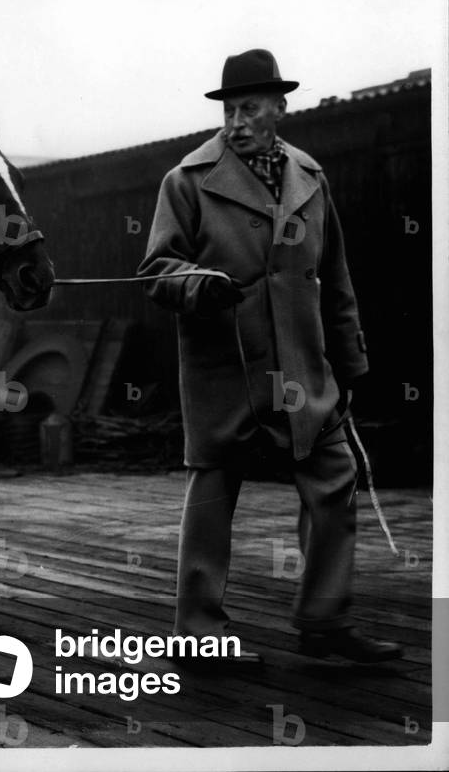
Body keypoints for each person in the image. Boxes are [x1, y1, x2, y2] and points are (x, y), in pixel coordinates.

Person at [138, 49, 401, 665]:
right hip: (224, 374)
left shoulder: (311, 176)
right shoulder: (186, 181)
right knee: (211, 497)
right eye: (229, 109)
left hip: (304, 372)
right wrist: (195, 283)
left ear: (280, 108)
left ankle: (325, 624)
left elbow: (333, 276)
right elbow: (155, 271)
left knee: (334, 481)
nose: (237, 121)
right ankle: (199, 636)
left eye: (250, 108)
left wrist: (350, 359)